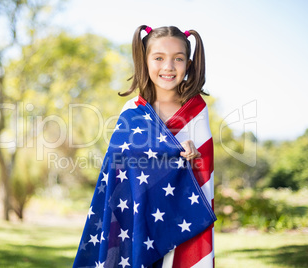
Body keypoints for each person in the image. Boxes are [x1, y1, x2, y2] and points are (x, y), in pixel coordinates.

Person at [73, 25, 215, 268]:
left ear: (189, 65)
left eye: (178, 59)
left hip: (177, 220)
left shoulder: (196, 111)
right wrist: (165, 151)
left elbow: (202, 175)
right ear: (144, 60)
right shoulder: (132, 110)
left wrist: (191, 154)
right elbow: (117, 166)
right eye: (159, 58)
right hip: (136, 220)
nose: (168, 66)